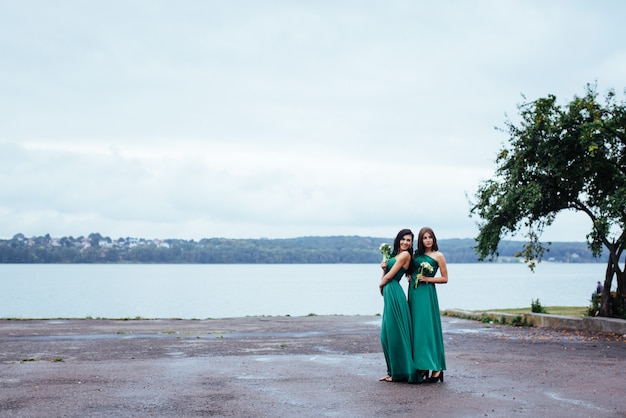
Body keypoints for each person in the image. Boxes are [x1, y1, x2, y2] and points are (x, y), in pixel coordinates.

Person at [408, 226, 448, 383]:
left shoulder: (439, 256)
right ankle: (422, 366)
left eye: (430, 237)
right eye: (424, 238)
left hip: (427, 293)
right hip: (414, 292)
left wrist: (428, 279)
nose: (428, 240)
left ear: (434, 239)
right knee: (416, 330)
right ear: (420, 240)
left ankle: (437, 367)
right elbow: (407, 268)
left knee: (427, 328)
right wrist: (409, 275)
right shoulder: (415, 254)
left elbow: (445, 278)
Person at [378, 228, 418, 383]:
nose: (405, 242)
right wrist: (383, 271)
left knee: (394, 335)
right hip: (390, 292)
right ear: (398, 240)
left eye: (409, 240)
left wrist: (380, 284)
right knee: (385, 336)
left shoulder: (405, 255)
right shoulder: (395, 255)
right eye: (403, 239)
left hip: (395, 292)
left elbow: (390, 276)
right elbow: (386, 274)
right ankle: (391, 371)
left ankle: (398, 372)